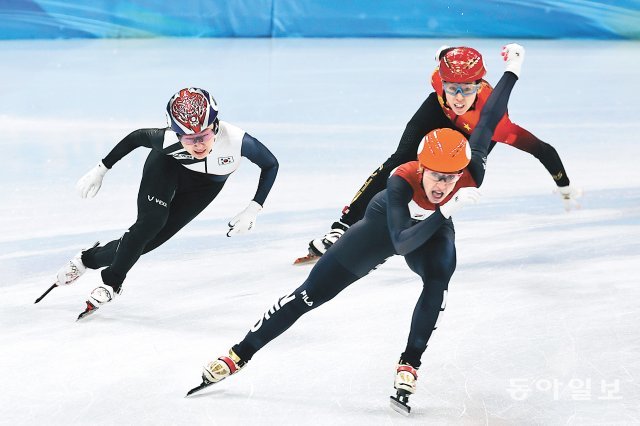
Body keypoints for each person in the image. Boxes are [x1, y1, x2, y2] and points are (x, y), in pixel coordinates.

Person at [191, 45, 524, 412]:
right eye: (435, 176)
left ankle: (409, 364)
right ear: (421, 168)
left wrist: (514, 68)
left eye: (451, 178)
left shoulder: (471, 171)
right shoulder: (400, 180)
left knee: (439, 278)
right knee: (308, 295)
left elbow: (491, 114)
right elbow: (399, 243)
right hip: (385, 226)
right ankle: (239, 354)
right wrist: (443, 214)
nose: (442, 186)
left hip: (431, 230)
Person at [305, 43, 580, 261]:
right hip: (437, 110)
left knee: (452, 176)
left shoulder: (498, 123)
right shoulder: (439, 80)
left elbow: (542, 149)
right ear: (443, 82)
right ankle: (342, 226)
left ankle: (418, 218)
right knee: (400, 161)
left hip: (475, 132)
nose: (459, 97)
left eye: (467, 89)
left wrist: (564, 186)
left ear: (479, 85)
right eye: (452, 88)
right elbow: (444, 55)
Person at [49, 87, 279, 318]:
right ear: (177, 134)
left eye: (205, 136)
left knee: (149, 242)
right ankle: (111, 284)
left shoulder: (238, 141)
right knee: (150, 223)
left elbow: (271, 164)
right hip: (167, 167)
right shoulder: (166, 140)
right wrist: (101, 168)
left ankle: (87, 259)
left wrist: (253, 208)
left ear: (215, 126)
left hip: (205, 186)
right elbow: (136, 137)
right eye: (190, 139)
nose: (199, 145)